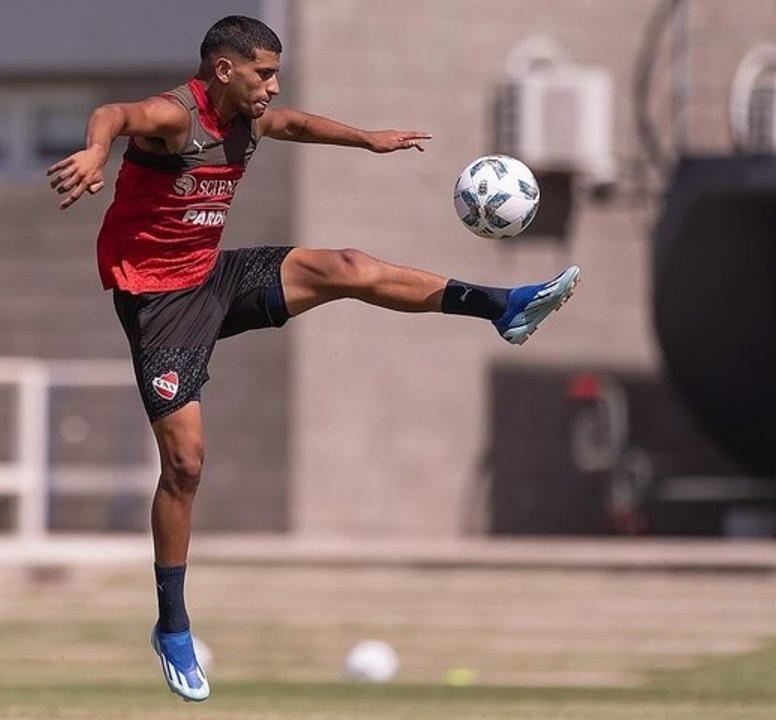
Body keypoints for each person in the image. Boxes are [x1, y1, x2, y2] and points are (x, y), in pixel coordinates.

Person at [46, 15, 579, 703]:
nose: (274, 85)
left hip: (214, 277)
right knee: (186, 464)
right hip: (158, 306)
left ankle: (504, 306)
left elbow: (292, 124)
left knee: (347, 267)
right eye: (264, 73)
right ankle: (172, 626)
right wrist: (94, 151)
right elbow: (113, 113)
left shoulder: (253, 118)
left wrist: (369, 139)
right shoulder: (176, 119)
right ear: (223, 72)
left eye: (276, 72)